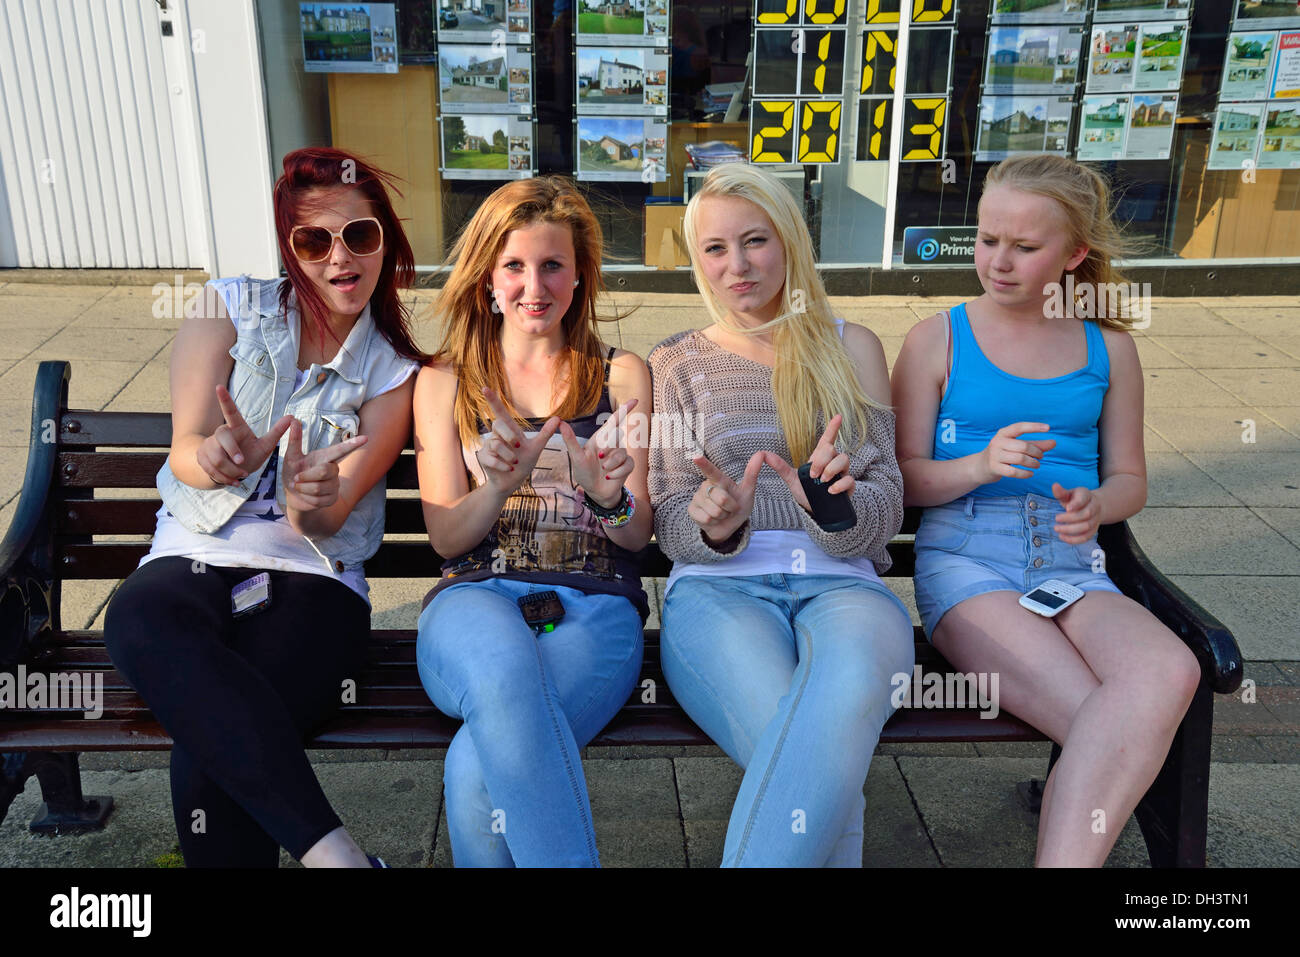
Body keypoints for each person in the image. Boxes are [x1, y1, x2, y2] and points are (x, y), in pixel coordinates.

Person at [103, 147, 425, 867]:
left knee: (207, 752)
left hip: (312, 578)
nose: (339, 258)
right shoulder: (228, 305)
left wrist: (310, 499)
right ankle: (339, 856)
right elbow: (185, 443)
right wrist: (215, 458)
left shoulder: (395, 370)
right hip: (194, 553)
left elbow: (330, 521)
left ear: (387, 240)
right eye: (314, 241)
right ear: (289, 248)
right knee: (137, 615)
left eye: (360, 235)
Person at [891, 153, 1201, 867]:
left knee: (1171, 670)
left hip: (1074, 561)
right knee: (1108, 721)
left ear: (1074, 255)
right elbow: (904, 481)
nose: (998, 261)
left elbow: (1130, 479)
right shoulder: (937, 338)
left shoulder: (1108, 346)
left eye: (1025, 247)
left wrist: (1098, 502)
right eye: (987, 238)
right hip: (969, 563)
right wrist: (979, 465)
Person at [648, 163, 913, 867]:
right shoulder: (676, 361)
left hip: (847, 586)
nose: (736, 265)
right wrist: (716, 521)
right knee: (821, 756)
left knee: (834, 719)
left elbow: (888, 503)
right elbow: (669, 514)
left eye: (755, 240)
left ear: (789, 239)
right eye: (714, 248)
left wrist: (835, 507)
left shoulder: (851, 347)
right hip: (717, 592)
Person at [413, 175, 652, 867]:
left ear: (580, 277)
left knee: (473, 765)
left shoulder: (620, 374)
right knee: (505, 670)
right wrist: (496, 486)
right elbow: (447, 537)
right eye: (514, 265)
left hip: (596, 606)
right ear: (488, 276)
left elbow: (637, 534)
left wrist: (606, 496)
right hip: (474, 599)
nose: (533, 285)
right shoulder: (444, 380)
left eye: (552, 265)